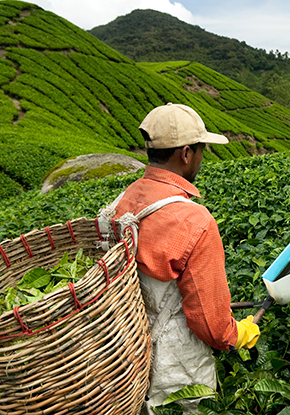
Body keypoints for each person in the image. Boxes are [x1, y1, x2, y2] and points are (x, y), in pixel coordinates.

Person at [113, 103, 260, 415]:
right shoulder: (193, 220)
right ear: (185, 154)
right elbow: (212, 327)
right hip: (175, 367)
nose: (201, 158)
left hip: (125, 356)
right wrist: (240, 333)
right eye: (201, 149)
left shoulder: (123, 203)